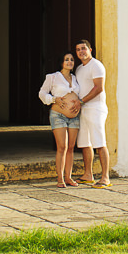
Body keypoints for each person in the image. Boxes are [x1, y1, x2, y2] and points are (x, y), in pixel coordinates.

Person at [38, 52, 82, 188]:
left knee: (70, 147)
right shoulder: (53, 77)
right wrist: (53, 99)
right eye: (66, 59)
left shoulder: (76, 78)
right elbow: (42, 93)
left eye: (72, 60)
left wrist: (78, 102)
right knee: (62, 146)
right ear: (61, 62)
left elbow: (80, 94)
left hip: (74, 117)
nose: (69, 62)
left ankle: (68, 177)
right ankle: (60, 179)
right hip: (58, 115)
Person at [73, 39, 110, 187]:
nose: (81, 51)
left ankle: (105, 177)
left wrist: (82, 101)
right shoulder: (79, 69)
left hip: (96, 108)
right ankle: (88, 174)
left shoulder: (96, 66)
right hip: (83, 110)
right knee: (85, 143)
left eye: (83, 48)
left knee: (99, 143)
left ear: (90, 50)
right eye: (78, 49)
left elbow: (98, 88)